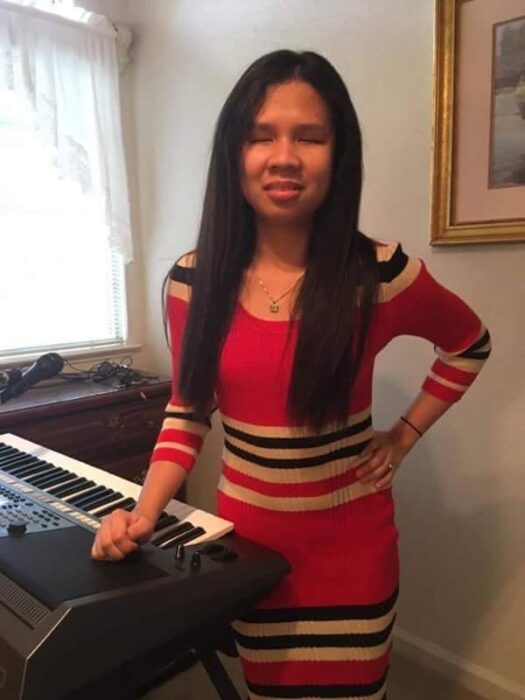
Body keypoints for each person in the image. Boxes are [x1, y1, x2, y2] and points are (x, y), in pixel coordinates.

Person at [91, 50, 491, 700]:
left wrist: (403, 435)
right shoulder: (194, 283)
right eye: (260, 136)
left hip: (353, 550)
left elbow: (469, 344)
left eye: (309, 136)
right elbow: (188, 412)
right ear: (234, 153)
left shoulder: (379, 276)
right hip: (251, 552)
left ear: (339, 155)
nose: (284, 156)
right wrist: (142, 513)